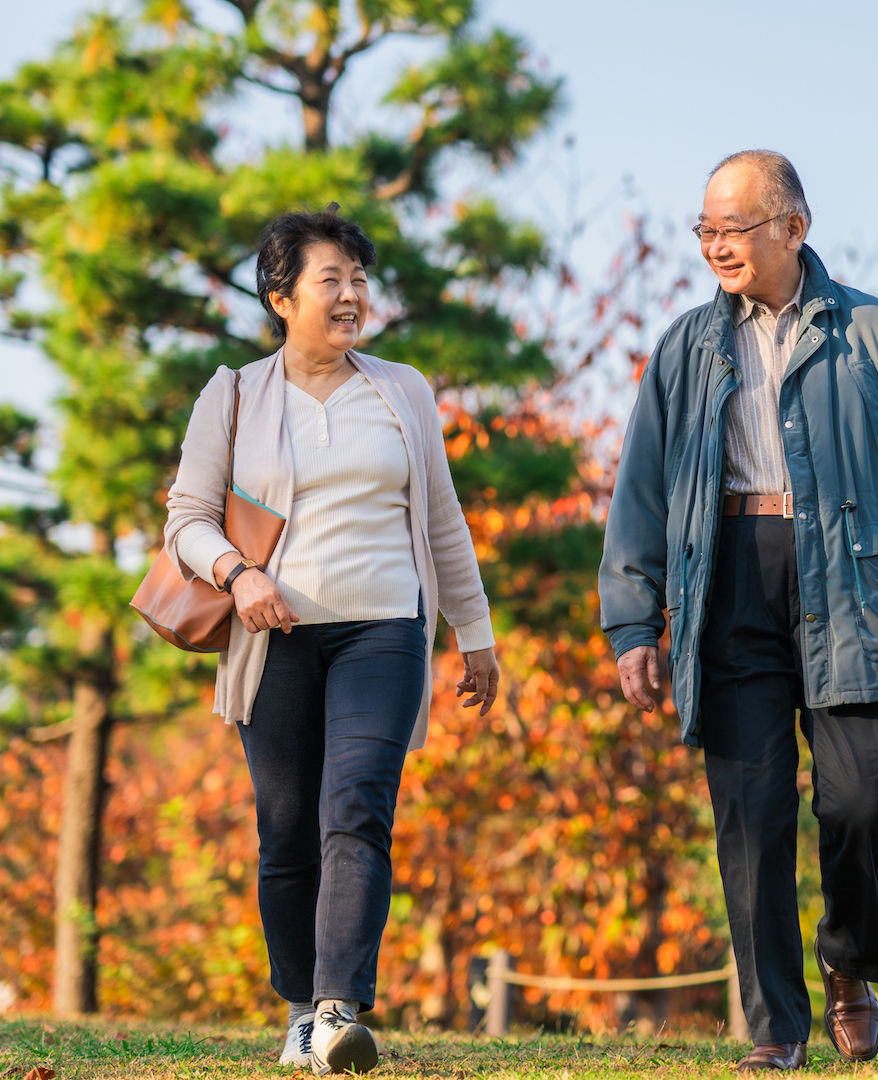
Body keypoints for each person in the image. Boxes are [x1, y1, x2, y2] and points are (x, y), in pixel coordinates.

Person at [598, 151, 878, 1072]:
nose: (715, 245)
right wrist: (631, 620)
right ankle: (775, 1031)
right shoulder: (685, 347)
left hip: (851, 582)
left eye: (733, 227)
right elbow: (640, 490)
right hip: (730, 582)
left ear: (793, 229)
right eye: (706, 229)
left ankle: (850, 963)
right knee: (751, 816)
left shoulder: (876, 334)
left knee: (859, 801)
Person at [163, 204, 499, 1075]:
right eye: (331, 280)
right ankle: (299, 1008)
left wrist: (475, 631)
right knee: (285, 834)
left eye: (359, 280)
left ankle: (341, 1007)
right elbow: (186, 522)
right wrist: (240, 573)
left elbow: (443, 518)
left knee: (355, 810)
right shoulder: (234, 392)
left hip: (384, 630)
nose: (351, 297)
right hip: (274, 640)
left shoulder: (403, 390)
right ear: (282, 296)